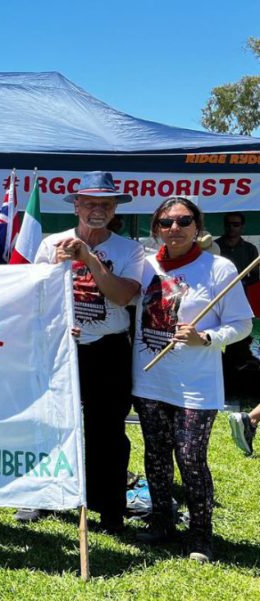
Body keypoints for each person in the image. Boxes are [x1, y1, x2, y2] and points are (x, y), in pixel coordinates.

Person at [16, 171, 143, 534]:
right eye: (89, 203)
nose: (96, 210)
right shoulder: (50, 243)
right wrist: (58, 268)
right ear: (76, 206)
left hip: (108, 349)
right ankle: (41, 496)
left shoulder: (130, 249)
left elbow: (122, 296)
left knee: (107, 430)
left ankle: (109, 507)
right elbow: (34, 298)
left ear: (115, 207)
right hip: (59, 346)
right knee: (49, 423)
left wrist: (88, 258)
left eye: (105, 203)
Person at [133, 197, 253, 562]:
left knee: (190, 456)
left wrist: (207, 338)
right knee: (155, 455)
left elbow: (242, 324)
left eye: (184, 221)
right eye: (167, 222)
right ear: (156, 229)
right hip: (149, 378)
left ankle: (201, 534)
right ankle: (161, 521)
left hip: (195, 384)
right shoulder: (144, 265)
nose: (175, 229)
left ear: (197, 227)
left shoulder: (218, 268)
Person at [213, 212, 259, 379]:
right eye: (228, 224)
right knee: (214, 336)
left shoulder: (250, 249)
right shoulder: (214, 248)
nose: (231, 227)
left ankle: (237, 376)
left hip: (240, 300)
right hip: (216, 299)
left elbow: (255, 278)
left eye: (236, 224)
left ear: (242, 226)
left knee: (238, 337)